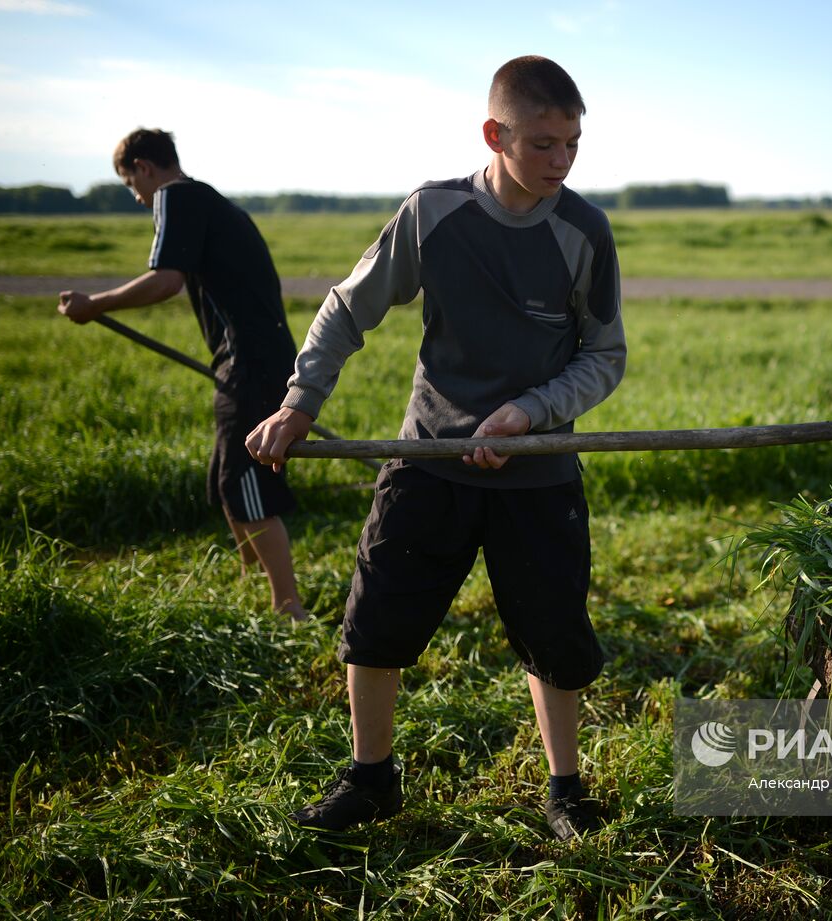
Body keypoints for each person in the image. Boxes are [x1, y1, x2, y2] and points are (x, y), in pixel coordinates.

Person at [246, 56, 625, 839]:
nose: (561, 162)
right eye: (544, 144)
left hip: (536, 470)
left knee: (553, 635)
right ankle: (371, 778)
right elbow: (347, 310)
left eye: (574, 146)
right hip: (427, 459)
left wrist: (531, 412)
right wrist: (299, 402)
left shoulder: (583, 231)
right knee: (375, 621)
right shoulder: (433, 214)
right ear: (495, 133)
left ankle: (565, 790)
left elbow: (604, 355)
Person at [57, 128, 308, 622]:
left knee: (246, 481)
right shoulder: (209, 201)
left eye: (132, 181)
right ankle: (251, 584)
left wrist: (95, 305)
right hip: (248, 358)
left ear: (146, 167)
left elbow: (166, 280)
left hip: (249, 361)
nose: (136, 195)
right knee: (226, 478)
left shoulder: (174, 196)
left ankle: (288, 609)